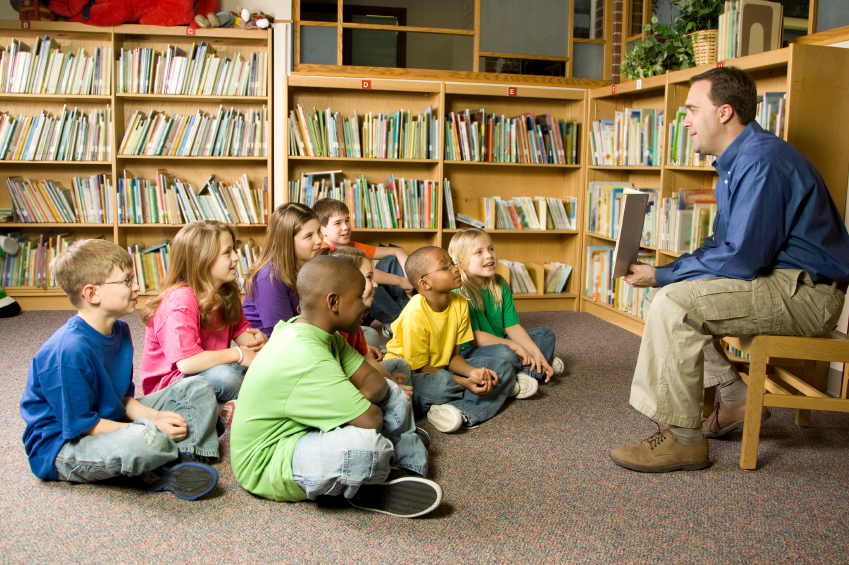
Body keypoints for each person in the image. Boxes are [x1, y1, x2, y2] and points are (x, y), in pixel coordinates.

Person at [609, 66, 849, 473]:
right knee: (674, 293)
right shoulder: (736, 164)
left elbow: (741, 259)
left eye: (691, 109)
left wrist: (664, 277)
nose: (684, 121)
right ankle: (733, 394)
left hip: (807, 293)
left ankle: (684, 442)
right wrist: (664, 270)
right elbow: (724, 249)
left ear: (723, 112)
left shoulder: (762, 161)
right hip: (780, 280)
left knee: (674, 303)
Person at [230, 256, 442, 518]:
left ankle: (402, 468)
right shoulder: (304, 353)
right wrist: (362, 407)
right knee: (367, 446)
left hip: (306, 430)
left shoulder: (322, 334)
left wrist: (358, 400)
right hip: (270, 461)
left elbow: (374, 381)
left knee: (394, 391)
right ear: (333, 302)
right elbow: (372, 419)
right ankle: (386, 463)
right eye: (358, 297)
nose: (367, 305)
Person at [20, 239, 220, 500]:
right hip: (64, 446)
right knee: (148, 440)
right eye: (127, 281)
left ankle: (175, 457)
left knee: (198, 388)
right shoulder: (67, 351)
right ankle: (162, 459)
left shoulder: (120, 329)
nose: (137, 286)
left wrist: (153, 417)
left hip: (110, 419)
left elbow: (122, 399)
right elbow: (83, 426)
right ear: (92, 294)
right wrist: (151, 427)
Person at [384, 246, 535, 433]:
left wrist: (473, 373)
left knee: (501, 366)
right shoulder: (414, 315)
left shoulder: (460, 303)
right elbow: (420, 367)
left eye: (453, 263)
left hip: (443, 367)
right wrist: (464, 382)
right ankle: (493, 391)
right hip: (411, 374)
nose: (455, 268)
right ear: (425, 284)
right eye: (445, 266)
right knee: (442, 384)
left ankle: (454, 408)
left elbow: (454, 358)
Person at [139, 221, 267, 423]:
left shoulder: (225, 291)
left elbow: (243, 334)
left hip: (212, 367)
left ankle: (226, 408)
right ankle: (232, 407)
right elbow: (188, 363)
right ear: (202, 260)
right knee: (228, 377)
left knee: (267, 364)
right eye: (227, 252)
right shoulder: (179, 300)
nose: (236, 257)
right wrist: (239, 353)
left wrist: (259, 343)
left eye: (234, 250)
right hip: (173, 385)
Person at [448, 228, 565, 386]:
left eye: (491, 249)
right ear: (460, 261)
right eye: (479, 252)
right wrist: (516, 347)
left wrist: (537, 353)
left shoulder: (500, 283)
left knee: (545, 335)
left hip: (500, 341)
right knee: (506, 353)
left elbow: (512, 327)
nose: (489, 255)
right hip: (470, 352)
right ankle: (530, 371)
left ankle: (528, 371)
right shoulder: (459, 292)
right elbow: (475, 338)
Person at [316, 246, 412, 390]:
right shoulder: (328, 328)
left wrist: (390, 379)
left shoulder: (353, 322)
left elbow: (365, 357)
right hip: (339, 388)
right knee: (396, 397)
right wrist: (387, 387)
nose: (376, 284)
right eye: (369, 277)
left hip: (356, 375)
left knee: (400, 367)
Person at [313, 197, 412, 332]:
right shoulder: (325, 252)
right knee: (364, 281)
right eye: (338, 223)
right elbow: (361, 274)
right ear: (322, 229)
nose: (346, 226)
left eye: (347, 220)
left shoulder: (351, 246)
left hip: (368, 306)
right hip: (349, 311)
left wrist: (410, 279)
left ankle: (412, 315)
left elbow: (397, 251)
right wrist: (401, 281)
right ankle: (402, 323)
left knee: (390, 261)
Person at [242, 203, 323, 338]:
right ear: (287, 242)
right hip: (274, 344)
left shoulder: (308, 265)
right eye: (309, 235)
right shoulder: (269, 278)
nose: (319, 240)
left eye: (319, 231)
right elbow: (283, 335)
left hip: (303, 333)